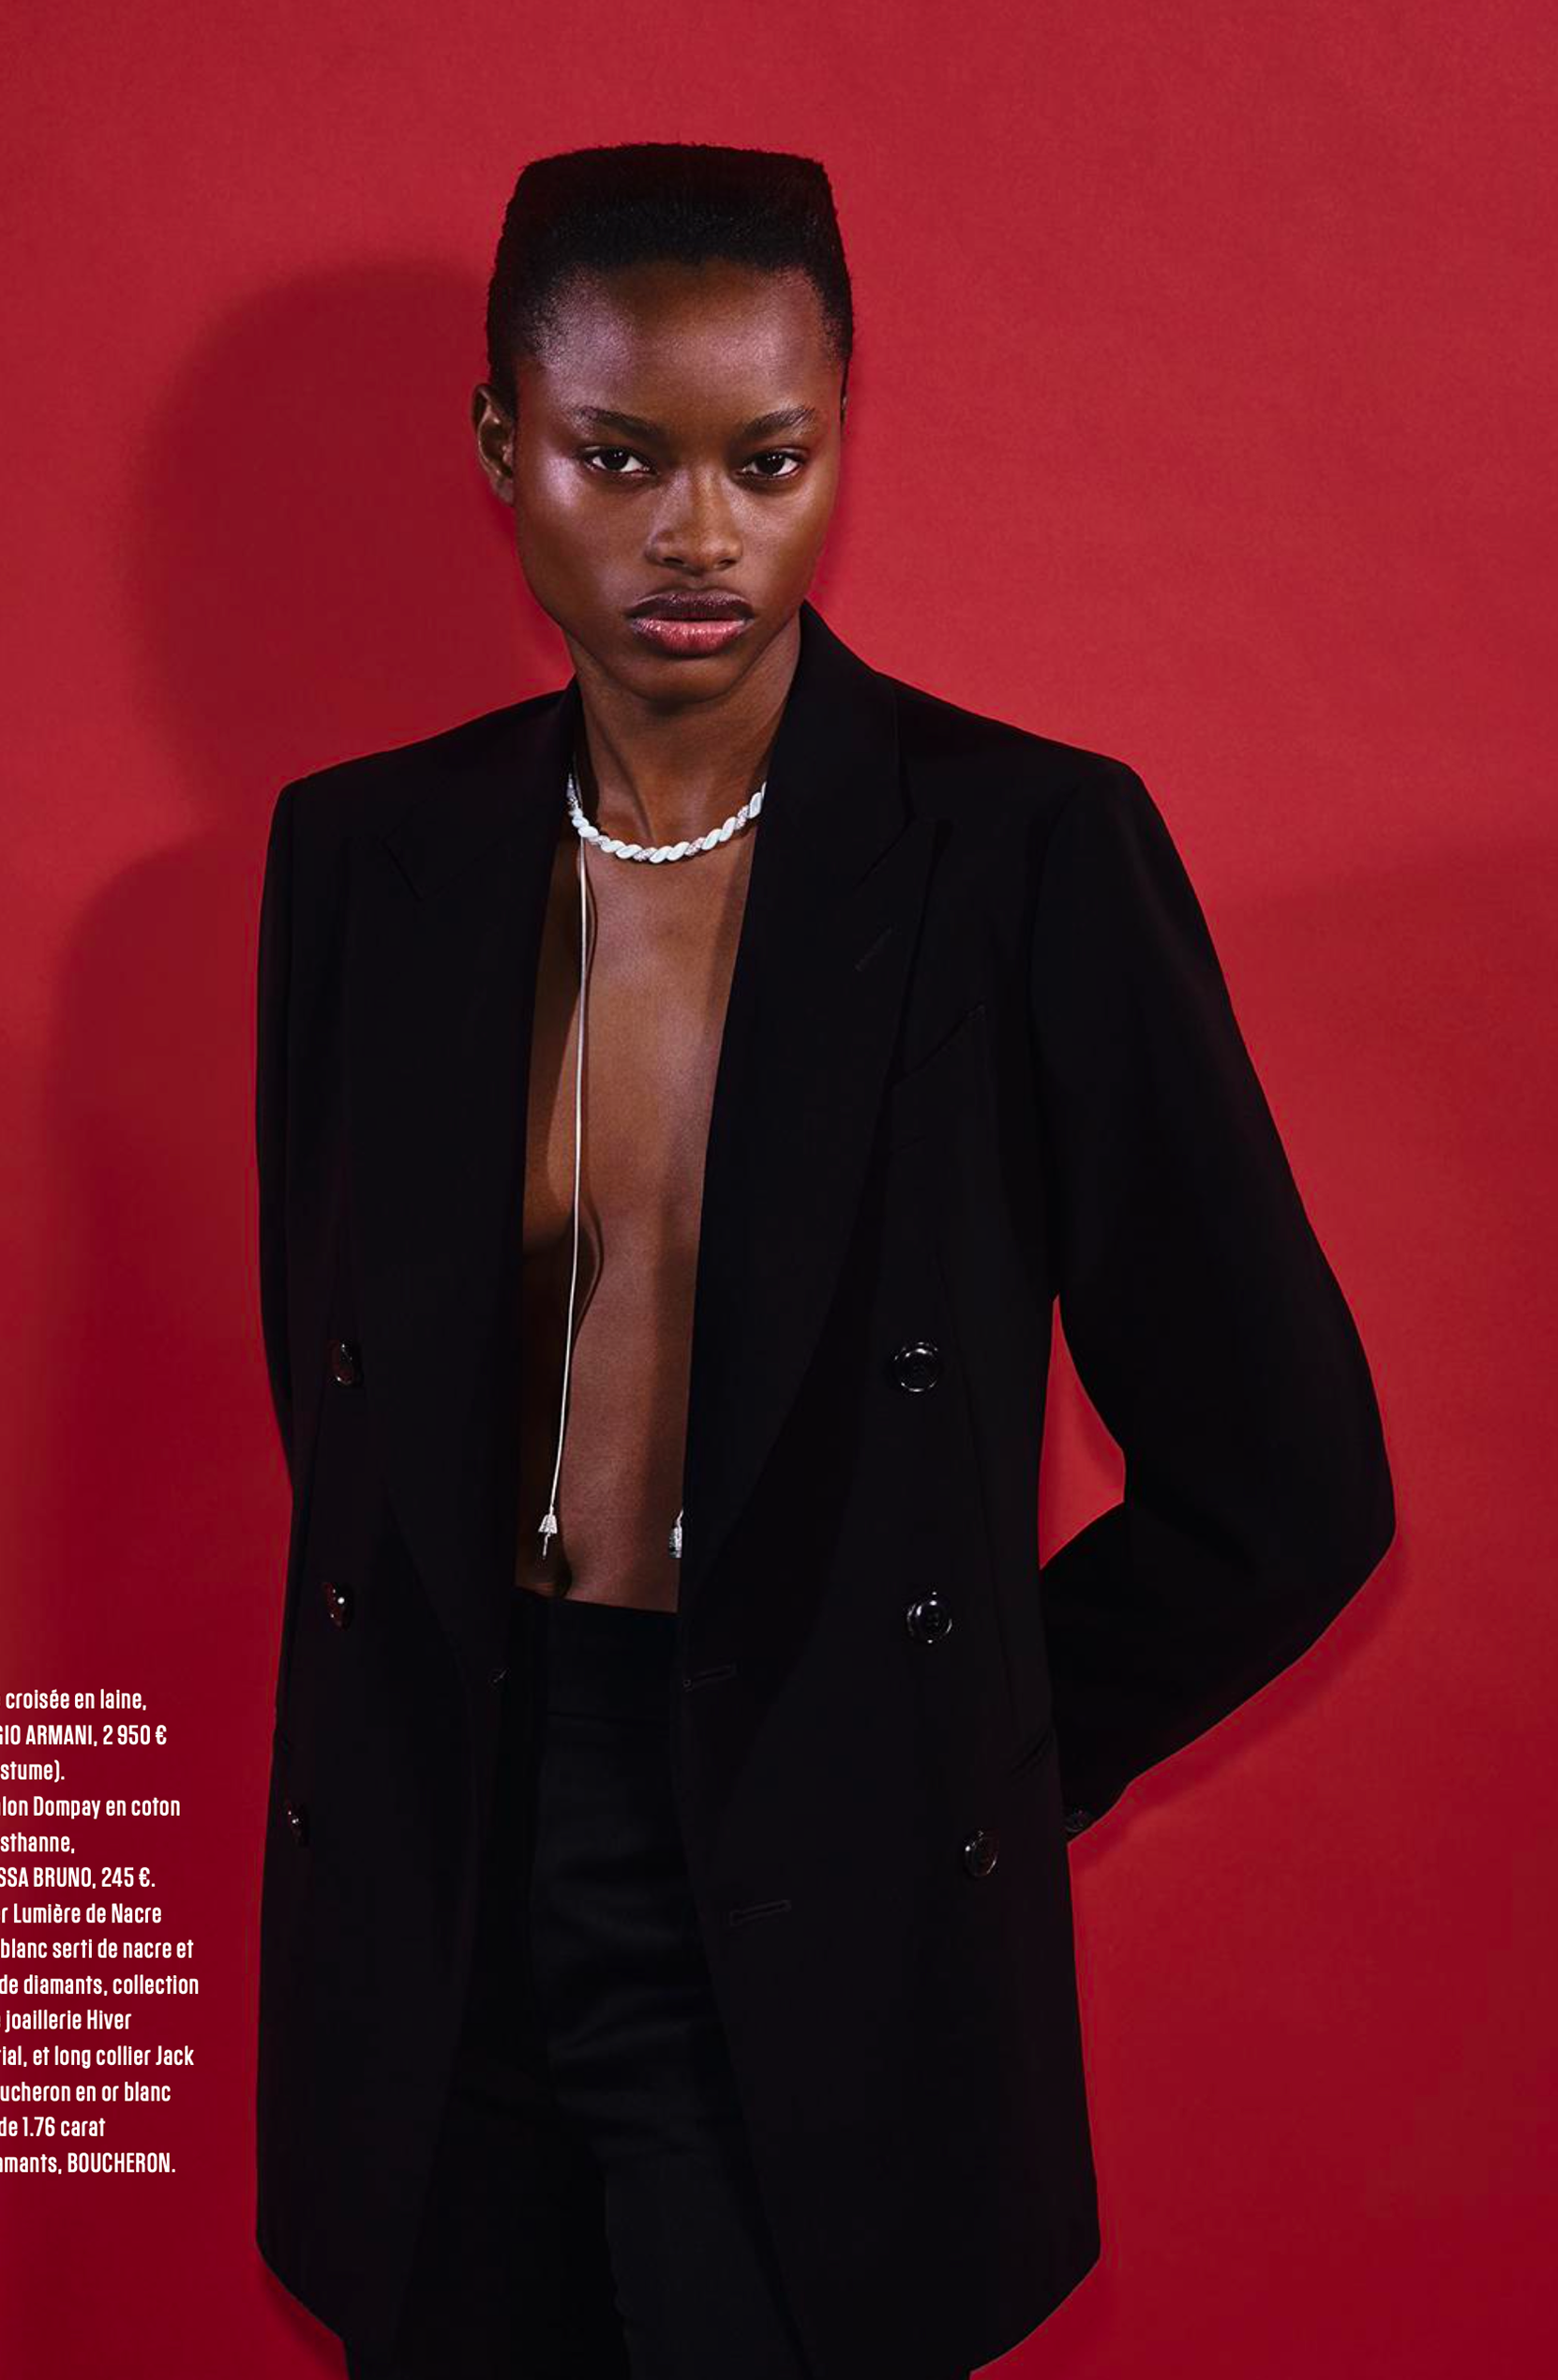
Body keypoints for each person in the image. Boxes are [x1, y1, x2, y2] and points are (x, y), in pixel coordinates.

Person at [253, 142, 1395, 2380]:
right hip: (445, 1878)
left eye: (768, 462)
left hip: (808, 1886)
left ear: (841, 444)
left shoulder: (1024, 856)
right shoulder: (369, 859)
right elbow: (346, 1395)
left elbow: (1291, 1482)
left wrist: (959, 1750)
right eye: (621, 458)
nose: (700, 534)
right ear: (499, 443)